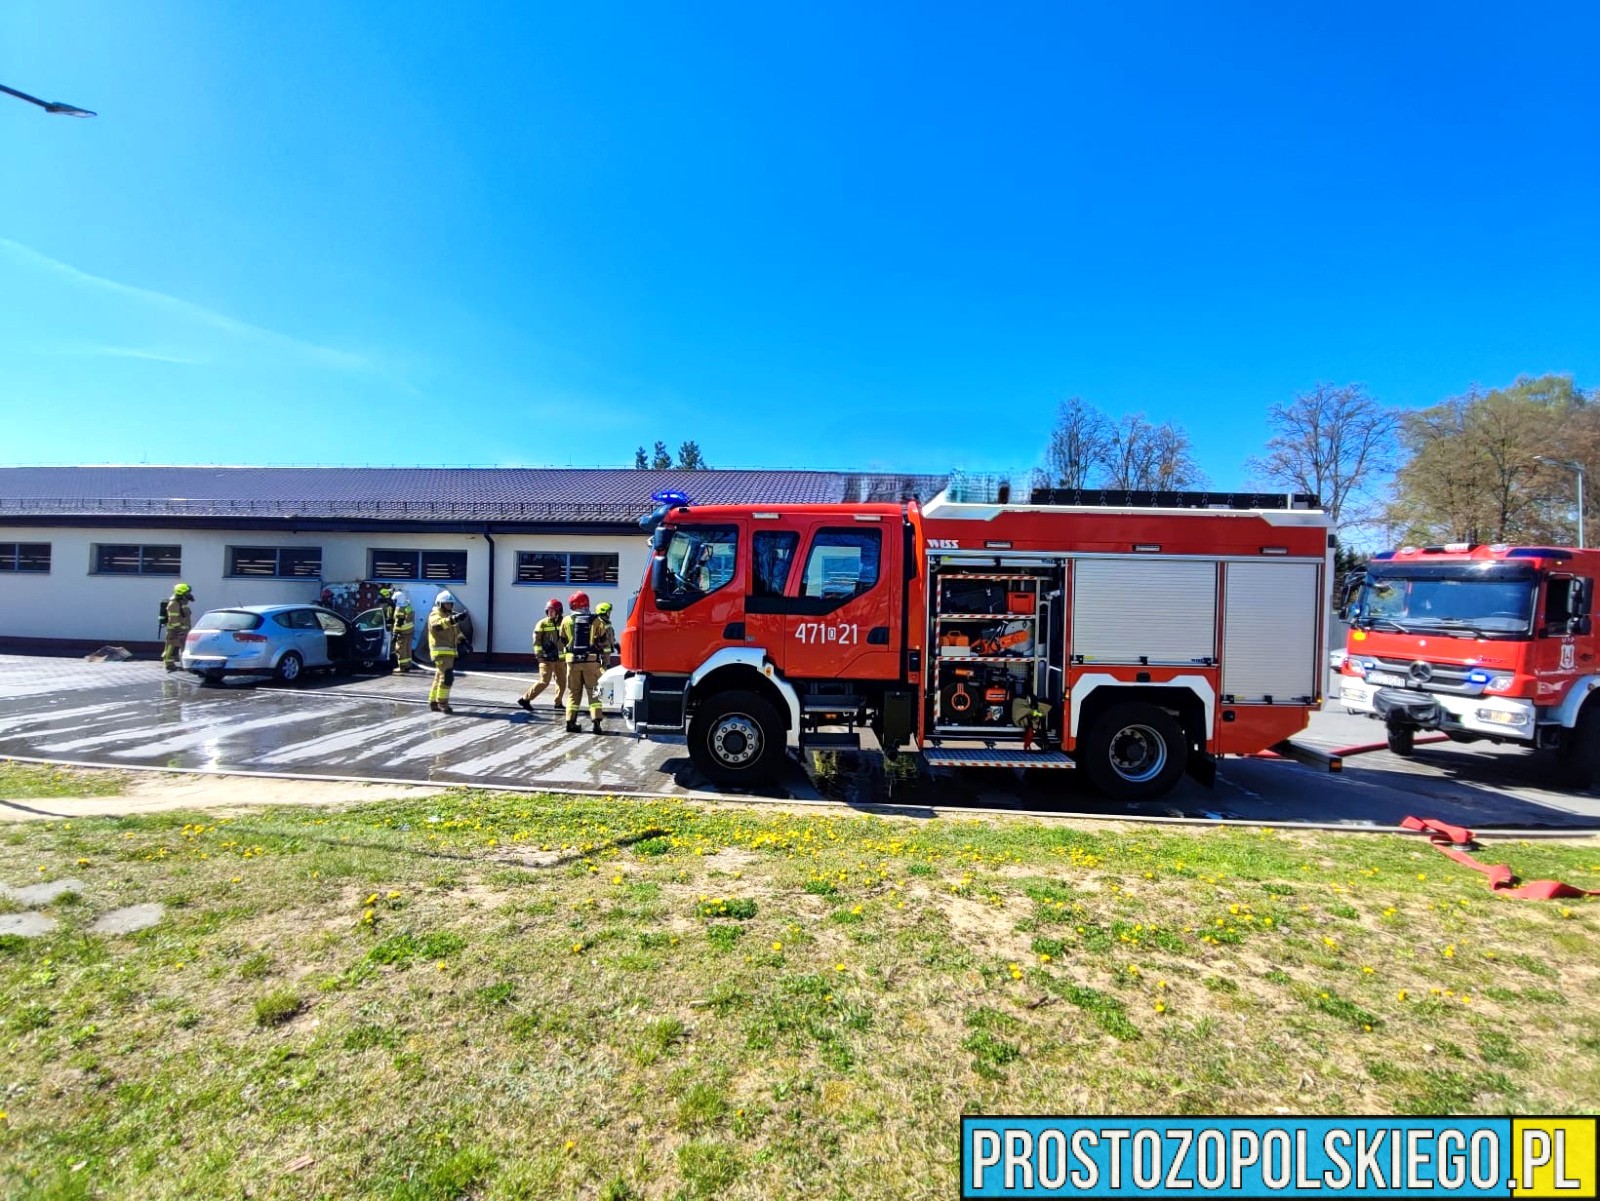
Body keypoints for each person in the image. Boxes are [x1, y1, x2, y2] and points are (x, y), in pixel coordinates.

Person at [560, 590, 610, 733]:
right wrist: (604, 658)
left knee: (573, 692)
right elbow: (604, 641)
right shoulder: (596, 620)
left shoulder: (566, 620)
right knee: (594, 692)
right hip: (591, 661)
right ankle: (596, 723)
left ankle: (570, 722)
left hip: (572, 662)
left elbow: (562, 640)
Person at [518, 598, 566, 712]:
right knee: (544, 681)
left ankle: (558, 702)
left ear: (559, 611)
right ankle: (525, 699)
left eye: (552, 610)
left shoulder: (564, 623)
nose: (550, 612)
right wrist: (540, 655)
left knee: (562, 682)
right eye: (548, 610)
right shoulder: (542, 623)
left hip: (560, 659)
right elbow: (537, 641)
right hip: (546, 659)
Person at [426, 590, 469, 713]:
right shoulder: (435, 615)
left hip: (449, 652)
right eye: (446, 604)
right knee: (447, 678)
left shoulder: (449, 616)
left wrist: (464, 641)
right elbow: (437, 626)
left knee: (439, 677)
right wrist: (453, 619)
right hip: (440, 652)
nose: (449, 606)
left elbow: (456, 631)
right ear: (440, 604)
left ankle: (433, 702)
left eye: (450, 604)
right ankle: (442, 703)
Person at [160, 582, 195, 673]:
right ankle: (169, 665)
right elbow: (173, 619)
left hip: (184, 630)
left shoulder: (182, 603)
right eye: (187, 592)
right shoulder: (174, 604)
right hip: (175, 631)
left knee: (183, 648)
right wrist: (179, 630)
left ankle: (184, 665)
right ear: (181, 593)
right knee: (172, 648)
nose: (189, 594)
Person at [391, 590, 416, 673]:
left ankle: (403, 667)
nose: (394, 602)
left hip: (402, 632)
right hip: (410, 631)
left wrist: (395, 634)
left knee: (400, 649)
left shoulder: (400, 608)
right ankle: (408, 665)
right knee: (407, 648)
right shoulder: (408, 606)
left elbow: (398, 623)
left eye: (395, 600)